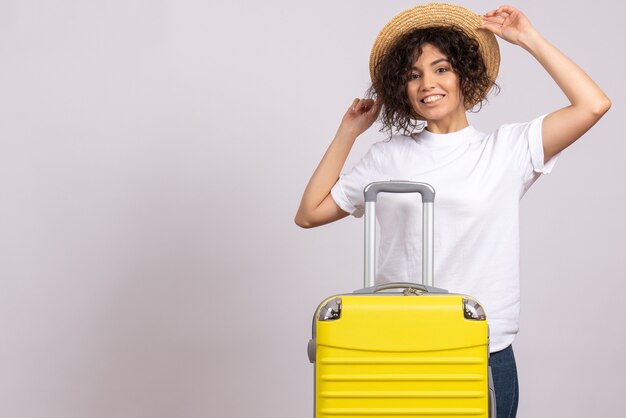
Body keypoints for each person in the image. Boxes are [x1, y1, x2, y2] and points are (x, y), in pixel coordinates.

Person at [294, 3, 610, 418]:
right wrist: (348, 132)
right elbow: (310, 212)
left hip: (479, 345)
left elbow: (593, 104)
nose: (428, 83)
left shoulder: (506, 150)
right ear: (401, 88)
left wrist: (528, 39)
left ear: (464, 75)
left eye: (441, 69)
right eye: (413, 74)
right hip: (396, 343)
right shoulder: (388, 156)